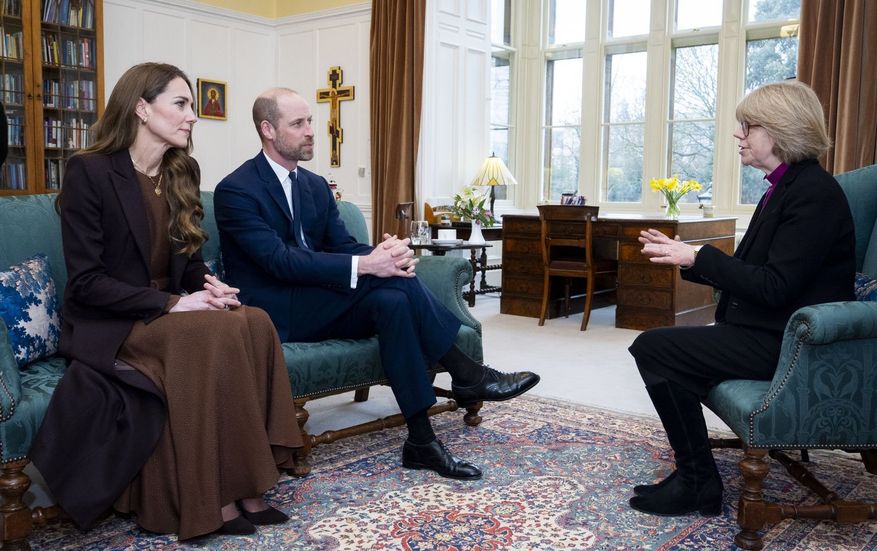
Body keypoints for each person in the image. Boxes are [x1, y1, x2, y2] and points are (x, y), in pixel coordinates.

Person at [29, 63, 303, 540]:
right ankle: (211, 497)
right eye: (180, 104)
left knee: (252, 320)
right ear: (141, 108)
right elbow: (87, 283)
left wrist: (208, 284)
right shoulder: (89, 171)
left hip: (167, 308)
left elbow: (187, 260)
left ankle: (249, 485)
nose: (192, 116)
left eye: (191, 105)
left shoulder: (181, 169)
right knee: (207, 332)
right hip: (112, 321)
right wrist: (175, 304)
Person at [213, 88, 540, 481]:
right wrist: (367, 264)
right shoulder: (236, 190)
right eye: (298, 124)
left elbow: (343, 246)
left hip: (320, 299)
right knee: (391, 287)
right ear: (267, 129)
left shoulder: (313, 185)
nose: (310, 131)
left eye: (311, 121)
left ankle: (421, 439)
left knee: (394, 299)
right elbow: (278, 261)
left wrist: (383, 254)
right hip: (274, 310)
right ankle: (468, 374)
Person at [627, 81, 856, 517]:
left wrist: (697, 255)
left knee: (654, 349)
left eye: (749, 126)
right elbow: (760, 276)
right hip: (769, 330)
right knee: (667, 352)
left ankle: (697, 480)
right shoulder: (786, 187)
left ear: (781, 129)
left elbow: (774, 286)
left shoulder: (813, 193)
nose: (739, 135)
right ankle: (695, 477)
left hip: (792, 344)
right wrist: (689, 258)